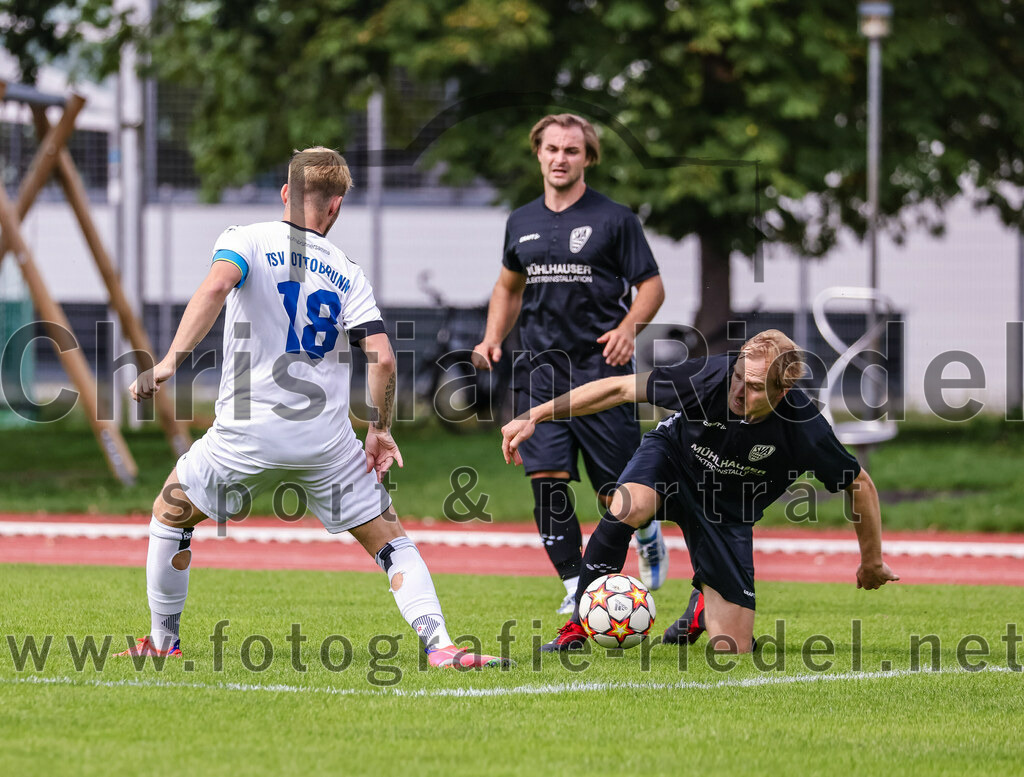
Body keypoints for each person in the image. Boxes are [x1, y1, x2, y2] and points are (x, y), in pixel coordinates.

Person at [119, 147, 511, 670]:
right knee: (389, 539)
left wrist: (169, 361)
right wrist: (380, 430)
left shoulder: (245, 240)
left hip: (245, 434)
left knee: (171, 511)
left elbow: (216, 286)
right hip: (324, 443)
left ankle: (163, 642)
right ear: (337, 207)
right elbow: (385, 359)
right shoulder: (347, 271)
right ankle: (439, 645)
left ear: (286, 193)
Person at [500, 329, 900, 654]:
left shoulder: (804, 426)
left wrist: (872, 561)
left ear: (782, 393)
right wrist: (536, 414)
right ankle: (577, 627)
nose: (740, 389)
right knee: (626, 505)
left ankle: (701, 606)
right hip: (672, 462)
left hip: (727, 509)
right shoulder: (708, 378)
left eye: (756, 386)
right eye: (740, 376)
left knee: (732, 649)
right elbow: (620, 389)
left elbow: (858, 483)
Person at [473, 113, 668, 614]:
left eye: (572, 151)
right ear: (538, 153)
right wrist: (493, 337)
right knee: (547, 479)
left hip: (601, 370)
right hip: (539, 371)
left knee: (616, 494)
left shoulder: (616, 219)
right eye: (553, 149)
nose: (561, 158)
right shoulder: (521, 221)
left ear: (588, 158)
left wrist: (628, 330)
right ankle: (575, 587)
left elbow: (652, 287)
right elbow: (507, 286)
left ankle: (646, 531)